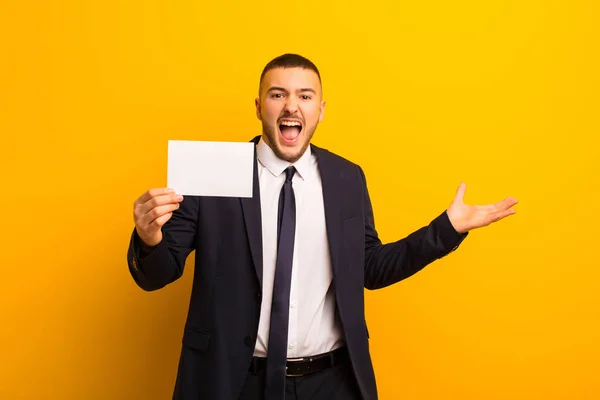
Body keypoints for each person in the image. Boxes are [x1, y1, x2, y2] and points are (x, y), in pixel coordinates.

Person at [127, 53, 518, 400]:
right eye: (278, 94)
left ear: (321, 109)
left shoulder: (346, 178)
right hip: (235, 381)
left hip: (330, 383)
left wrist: (446, 229)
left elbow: (371, 268)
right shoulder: (216, 171)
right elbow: (158, 272)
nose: (291, 105)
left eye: (305, 96)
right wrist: (149, 238)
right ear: (259, 105)